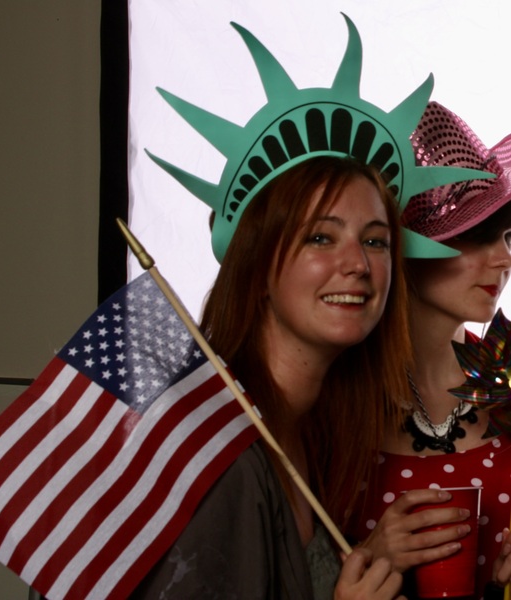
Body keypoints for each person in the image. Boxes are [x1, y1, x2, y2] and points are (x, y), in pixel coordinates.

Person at [131, 18, 486, 599]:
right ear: (259, 265)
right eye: (321, 237)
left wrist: (366, 564)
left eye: (374, 241)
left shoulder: (314, 434)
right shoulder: (219, 452)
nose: (357, 264)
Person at [346, 101, 511, 599]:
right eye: (474, 235)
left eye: (505, 234)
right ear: (405, 248)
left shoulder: (508, 370)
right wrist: (364, 564)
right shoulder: (334, 393)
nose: (505, 257)